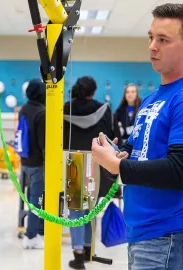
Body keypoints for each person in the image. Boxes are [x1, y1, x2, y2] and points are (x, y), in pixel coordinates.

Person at [91, 3, 183, 270]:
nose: (152, 46)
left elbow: (180, 171)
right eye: (151, 37)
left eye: (163, 40)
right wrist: (113, 156)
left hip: (171, 238)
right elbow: (137, 155)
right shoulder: (153, 99)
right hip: (143, 234)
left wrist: (118, 165)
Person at [63, 76, 121, 270]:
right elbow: (113, 137)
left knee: (75, 211)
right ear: (93, 92)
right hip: (96, 162)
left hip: (74, 161)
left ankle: (78, 255)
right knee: (91, 208)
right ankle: (89, 249)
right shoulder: (104, 109)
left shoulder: (65, 108)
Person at [16, 78, 47, 249]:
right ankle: (31, 235)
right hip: (38, 164)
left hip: (25, 161)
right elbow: (44, 143)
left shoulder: (24, 109)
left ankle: (36, 230)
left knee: (32, 197)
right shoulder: (41, 112)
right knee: (38, 200)